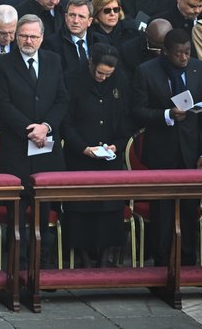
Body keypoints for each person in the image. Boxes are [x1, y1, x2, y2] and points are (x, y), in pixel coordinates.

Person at [0, 13, 69, 267]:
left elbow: (61, 99)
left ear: (42, 38)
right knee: (18, 214)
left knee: (43, 210)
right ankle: (19, 265)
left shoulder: (53, 61)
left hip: (46, 151)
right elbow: (2, 105)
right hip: (17, 150)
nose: (28, 40)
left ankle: (42, 266)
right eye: (23, 35)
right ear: (15, 36)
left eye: (33, 36)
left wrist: (45, 127)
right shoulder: (2, 64)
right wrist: (30, 129)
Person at [132, 28, 202, 266]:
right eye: (179, 53)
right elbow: (137, 110)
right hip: (161, 150)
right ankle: (162, 260)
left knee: (189, 207)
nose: (184, 57)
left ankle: (187, 259)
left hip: (191, 150)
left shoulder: (200, 69)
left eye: (187, 52)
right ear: (166, 52)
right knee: (163, 210)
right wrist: (166, 114)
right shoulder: (146, 72)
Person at [62, 43, 130, 268]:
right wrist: (83, 147)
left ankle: (105, 256)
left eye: (108, 74)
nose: (103, 77)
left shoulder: (120, 81)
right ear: (91, 64)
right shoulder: (73, 80)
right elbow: (66, 122)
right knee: (81, 210)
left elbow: (125, 122)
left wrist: (116, 146)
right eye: (100, 72)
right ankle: (83, 257)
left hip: (109, 157)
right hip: (80, 157)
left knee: (109, 209)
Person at [43, 0, 110, 84]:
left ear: (89, 21)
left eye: (81, 17)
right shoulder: (51, 44)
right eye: (72, 15)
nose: (75, 21)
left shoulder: (102, 41)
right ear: (66, 17)